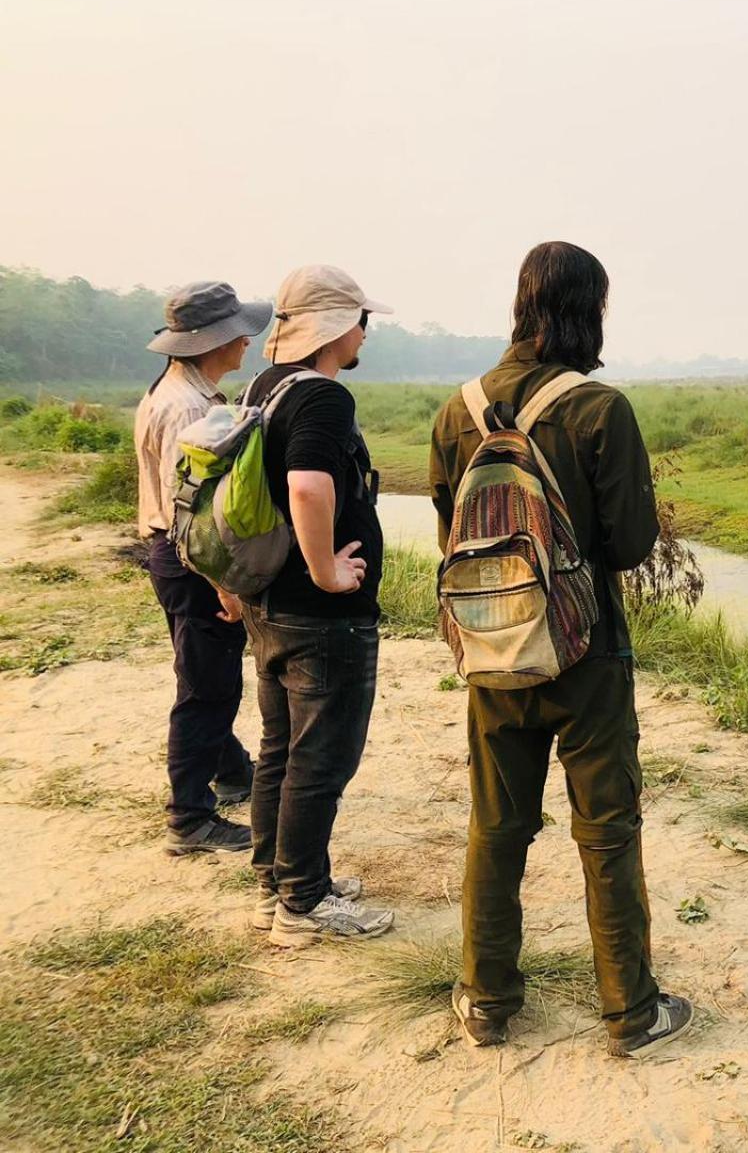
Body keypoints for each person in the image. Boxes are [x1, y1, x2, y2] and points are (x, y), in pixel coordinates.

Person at [429, 241, 692, 1055]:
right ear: (591, 311)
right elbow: (630, 547)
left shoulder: (456, 411)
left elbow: (451, 537)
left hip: (490, 656)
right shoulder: (600, 409)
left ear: (521, 304)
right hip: (587, 656)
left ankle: (485, 1000)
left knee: (496, 828)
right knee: (606, 829)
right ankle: (630, 1012)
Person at [241, 264, 395, 947]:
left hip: (268, 603)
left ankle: (277, 880)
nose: (367, 332)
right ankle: (302, 905)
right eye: (364, 319)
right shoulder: (324, 399)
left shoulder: (264, 386)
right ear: (339, 326)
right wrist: (329, 569)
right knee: (320, 760)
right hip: (320, 616)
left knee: (281, 748)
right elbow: (306, 486)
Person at [136, 282, 265, 855]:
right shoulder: (188, 406)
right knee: (207, 688)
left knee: (205, 674)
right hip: (191, 561)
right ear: (218, 341)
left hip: (170, 554)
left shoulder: (177, 391)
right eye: (239, 334)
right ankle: (189, 818)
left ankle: (234, 771)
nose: (246, 343)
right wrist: (225, 585)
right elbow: (188, 512)